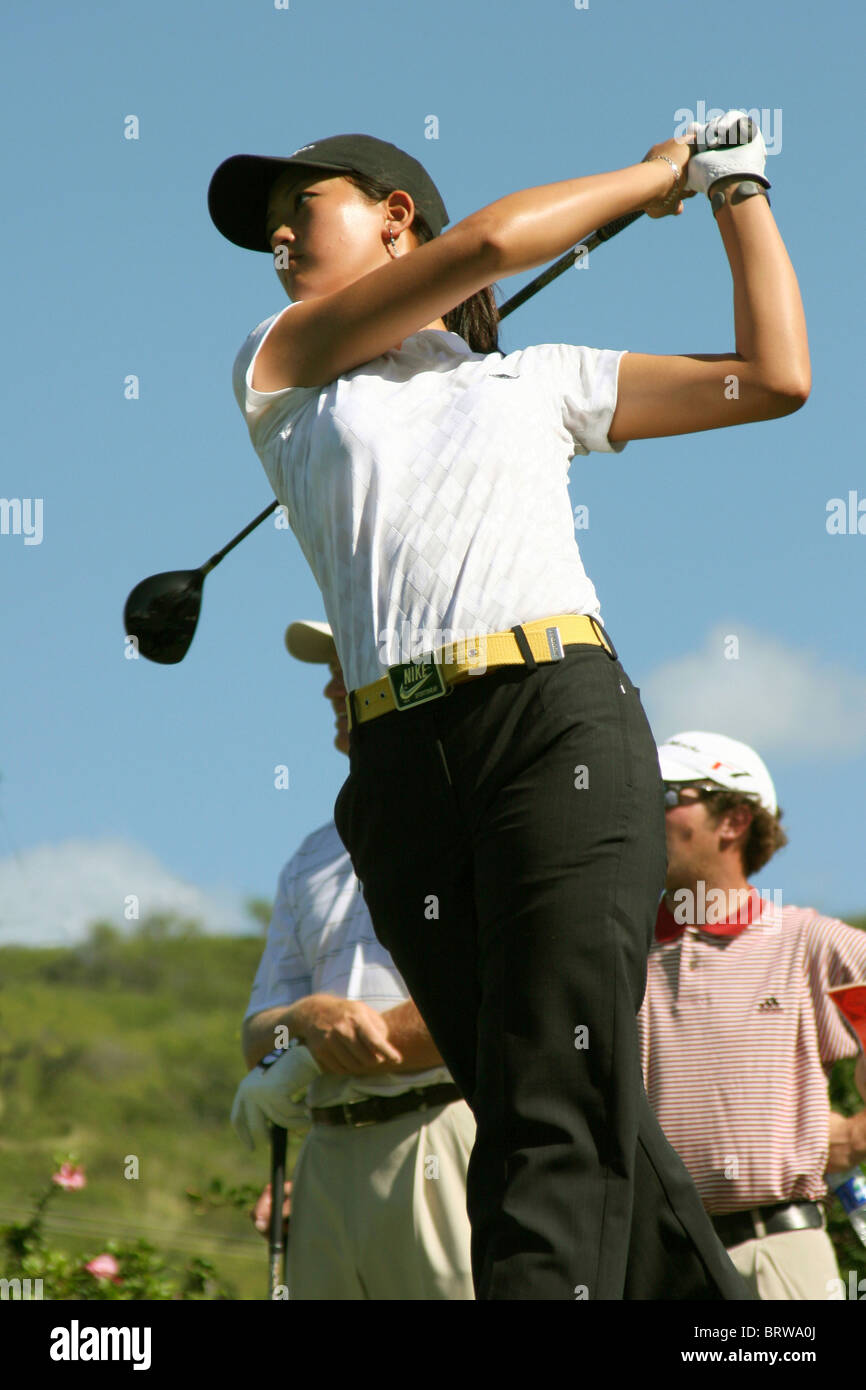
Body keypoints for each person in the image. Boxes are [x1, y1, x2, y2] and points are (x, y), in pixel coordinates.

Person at [208, 113, 809, 1299]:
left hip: (555, 724)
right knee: (549, 1093)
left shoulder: (536, 378)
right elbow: (488, 244)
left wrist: (735, 187)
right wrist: (648, 179)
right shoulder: (280, 370)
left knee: (549, 1099)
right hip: (395, 766)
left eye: (300, 204)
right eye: (266, 224)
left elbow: (772, 376)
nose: (276, 233)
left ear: (390, 215)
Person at [236, 619, 475, 1300]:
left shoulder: (476, 820)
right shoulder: (311, 856)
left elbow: (492, 1002)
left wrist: (313, 1052)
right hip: (329, 1152)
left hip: (444, 1129)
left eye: (350, 665)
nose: (329, 688)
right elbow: (258, 1037)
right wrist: (307, 1019)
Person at [638, 730, 866, 1300]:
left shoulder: (807, 942)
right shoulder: (618, 956)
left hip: (775, 1258)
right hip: (648, 1263)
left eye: (665, 797)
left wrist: (859, 1135)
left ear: (734, 820)